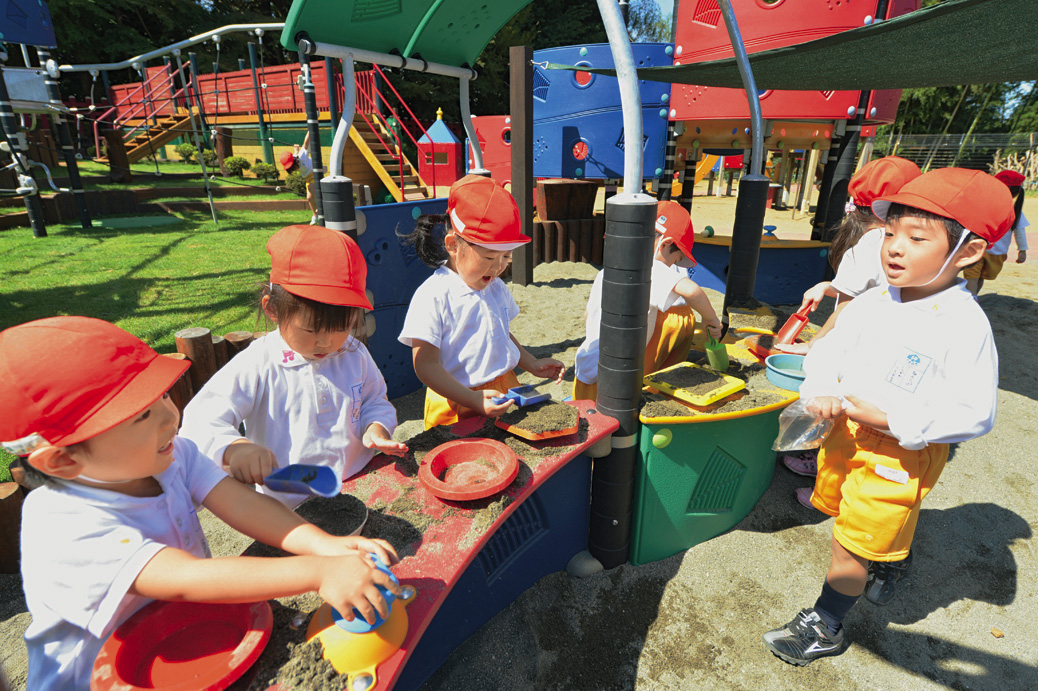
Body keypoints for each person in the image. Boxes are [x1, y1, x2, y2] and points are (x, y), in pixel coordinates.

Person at [0, 316, 400, 691]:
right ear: (63, 460)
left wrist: (322, 545)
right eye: (141, 416)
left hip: (186, 641)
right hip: (103, 677)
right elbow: (188, 579)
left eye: (161, 398)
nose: (170, 417)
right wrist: (318, 573)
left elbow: (241, 504)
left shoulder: (171, 454)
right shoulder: (63, 528)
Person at [762, 168, 1013, 666]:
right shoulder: (875, 301)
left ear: (968, 251)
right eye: (891, 233)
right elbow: (826, 353)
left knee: (850, 545)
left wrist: (895, 418)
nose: (894, 247)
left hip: (900, 450)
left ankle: (827, 623)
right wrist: (822, 392)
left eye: (917, 238)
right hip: (845, 434)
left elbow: (974, 411)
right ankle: (890, 551)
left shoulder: (963, 325)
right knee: (845, 513)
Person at [181, 225, 406, 508]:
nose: (326, 342)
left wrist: (375, 427)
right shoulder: (259, 363)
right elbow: (201, 416)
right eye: (312, 330)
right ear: (272, 309)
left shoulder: (353, 352)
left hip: (358, 483)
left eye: (341, 327)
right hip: (289, 504)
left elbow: (374, 400)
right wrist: (233, 448)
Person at [779, 156, 921, 482]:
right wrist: (830, 285)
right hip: (902, 346)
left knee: (843, 408)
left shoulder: (871, 242)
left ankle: (827, 470)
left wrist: (816, 345)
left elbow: (846, 312)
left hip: (866, 348)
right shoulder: (919, 242)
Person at [398, 174, 565, 430]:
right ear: (453, 245)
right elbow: (425, 365)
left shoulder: (494, 286)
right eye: (488, 258)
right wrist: (472, 398)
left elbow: (501, 333)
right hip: (456, 397)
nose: (498, 267)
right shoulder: (434, 294)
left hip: (505, 386)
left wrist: (531, 363)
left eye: (506, 257)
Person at [573, 200, 722, 401]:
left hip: (587, 365)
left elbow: (587, 315)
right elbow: (691, 290)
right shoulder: (649, 269)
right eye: (676, 260)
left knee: (586, 417)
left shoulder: (612, 267)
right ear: (666, 243)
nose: (673, 266)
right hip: (615, 375)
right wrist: (710, 319)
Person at [963, 169, 1029, 295]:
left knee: (977, 277)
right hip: (990, 251)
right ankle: (971, 299)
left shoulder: (989, 206)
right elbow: (1020, 232)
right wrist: (1022, 250)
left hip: (977, 247)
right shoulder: (1013, 210)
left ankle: (973, 298)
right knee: (974, 275)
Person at [280, 131, 318, 224]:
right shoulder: (295, 158)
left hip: (315, 174)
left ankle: (321, 209)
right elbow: (295, 154)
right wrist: (295, 150)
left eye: (293, 166)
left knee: (312, 189)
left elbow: (305, 144)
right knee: (309, 198)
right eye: (291, 168)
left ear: (295, 161)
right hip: (308, 178)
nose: (294, 169)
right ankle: (315, 215)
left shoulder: (301, 156)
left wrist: (310, 130)